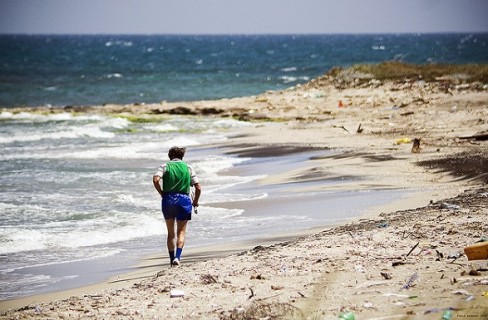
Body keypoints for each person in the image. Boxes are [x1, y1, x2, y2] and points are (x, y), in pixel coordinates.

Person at [152, 146, 201, 266]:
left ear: (170, 156)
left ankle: (171, 259)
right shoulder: (188, 168)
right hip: (184, 200)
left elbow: (156, 179)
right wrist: (195, 201)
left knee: (171, 233)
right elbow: (198, 187)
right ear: (182, 156)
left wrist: (162, 193)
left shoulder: (165, 166)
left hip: (168, 200)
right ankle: (177, 258)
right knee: (181, 232)